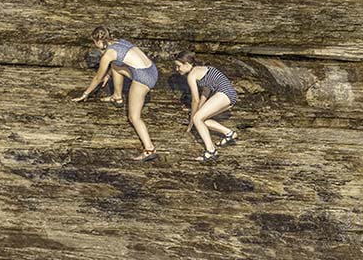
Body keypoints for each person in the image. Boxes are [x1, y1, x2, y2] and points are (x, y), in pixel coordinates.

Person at [72, 27, 159, 162]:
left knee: (134, 117)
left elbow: (97, 78)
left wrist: (85, 93)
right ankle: (117, 97)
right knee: (115, 66)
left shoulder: (108, 54)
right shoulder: (119, 42)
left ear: (98, 41)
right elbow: (118, 63)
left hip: (143, 78)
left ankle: (149, 149)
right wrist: (109, 73)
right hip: (152, 70)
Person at [174, 51, 239, 162]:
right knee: (202, 119)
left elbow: (195, 99)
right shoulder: (202, 69)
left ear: (186, 64)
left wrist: (192, 121)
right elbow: (205, 92)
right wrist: (199, 110)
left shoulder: (192, 75)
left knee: (197, 118)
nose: (177, 69)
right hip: (231, 96)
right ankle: (229, 133)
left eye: (178, 66)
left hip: (225, 93)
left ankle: (211, 151)